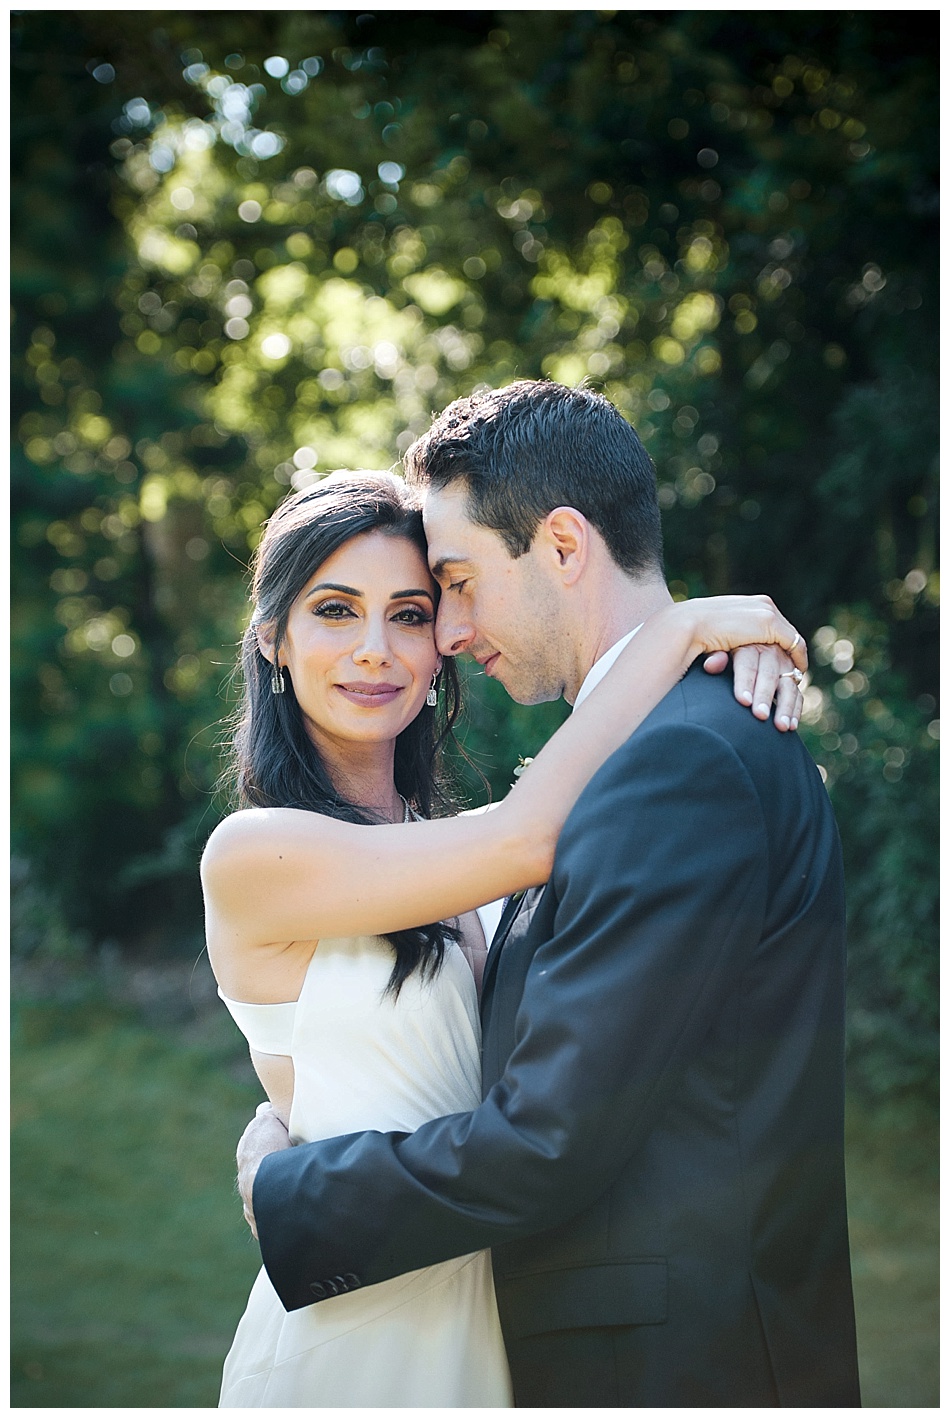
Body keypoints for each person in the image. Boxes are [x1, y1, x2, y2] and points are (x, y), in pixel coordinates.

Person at [237, 382, 861, 1408]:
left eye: (453, 582)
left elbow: (549, 1133)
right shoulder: (665, 742)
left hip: (672, 1366)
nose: (444, 632)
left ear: (562, 546)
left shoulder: (681, 759)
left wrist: (287, 1192)